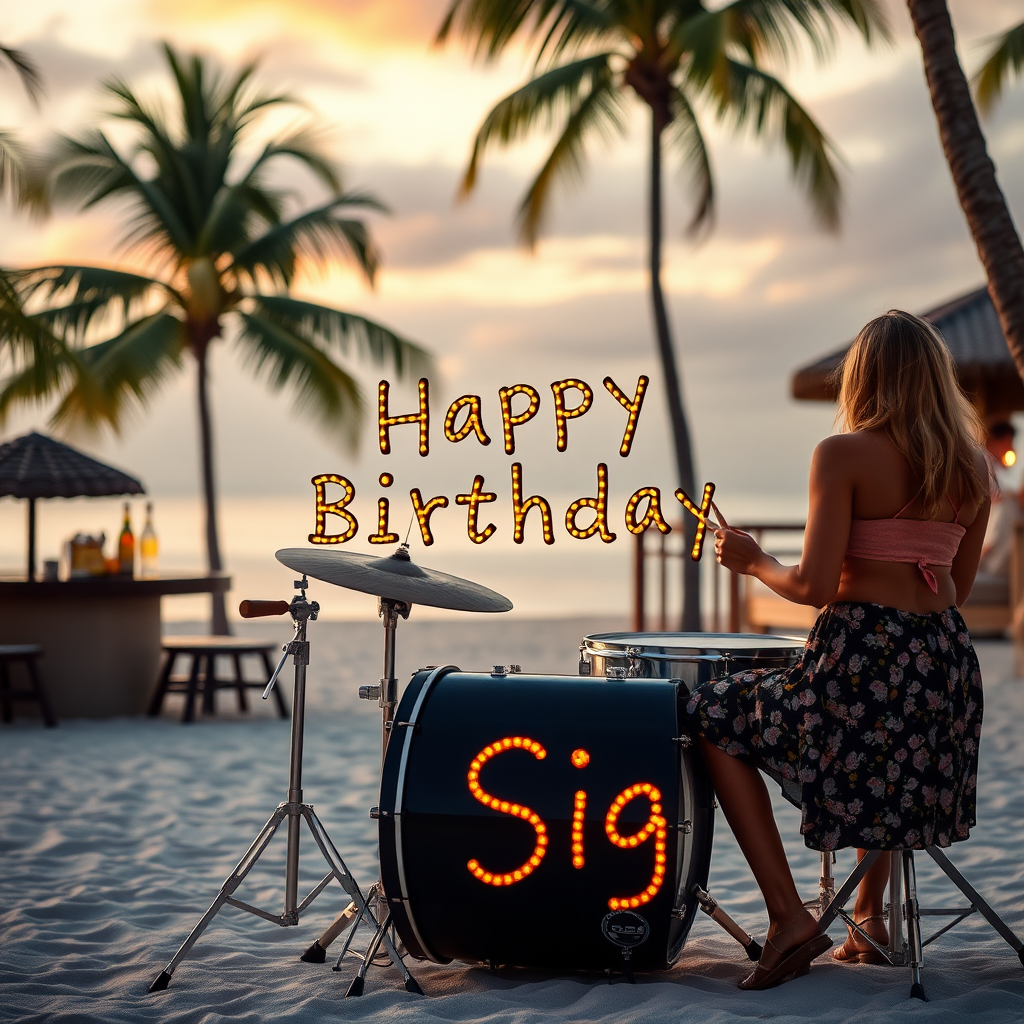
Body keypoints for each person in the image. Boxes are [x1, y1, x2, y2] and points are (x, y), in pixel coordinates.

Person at [688, 310, 990, 990]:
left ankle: (788, 915)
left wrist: (754, 560)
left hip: (862, 663)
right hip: (944, 672)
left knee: (712, 713)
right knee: (890, 744)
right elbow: (956, 589)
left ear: (865, 379)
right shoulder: (972, 470)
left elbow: (814, 586)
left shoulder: (844, 454)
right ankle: (870, 919)